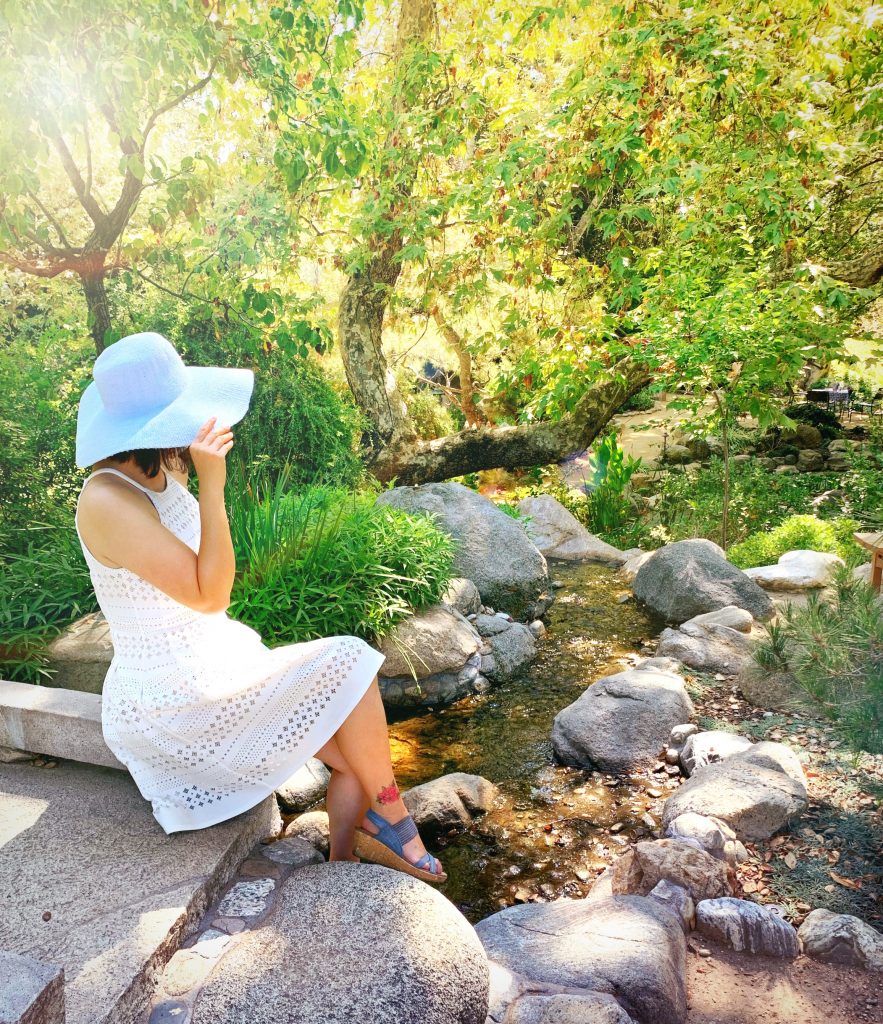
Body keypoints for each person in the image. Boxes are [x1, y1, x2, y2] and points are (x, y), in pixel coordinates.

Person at [74, 332, 445, 882]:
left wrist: (196, 478)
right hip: (170, 698)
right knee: (352, 660)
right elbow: (211, 592)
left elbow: (207, 577)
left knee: (353, 733)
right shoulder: (106, 499)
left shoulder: (156, 469)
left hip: (212, 656)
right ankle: (390, 817)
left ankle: (344, 861)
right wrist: (213, 485)